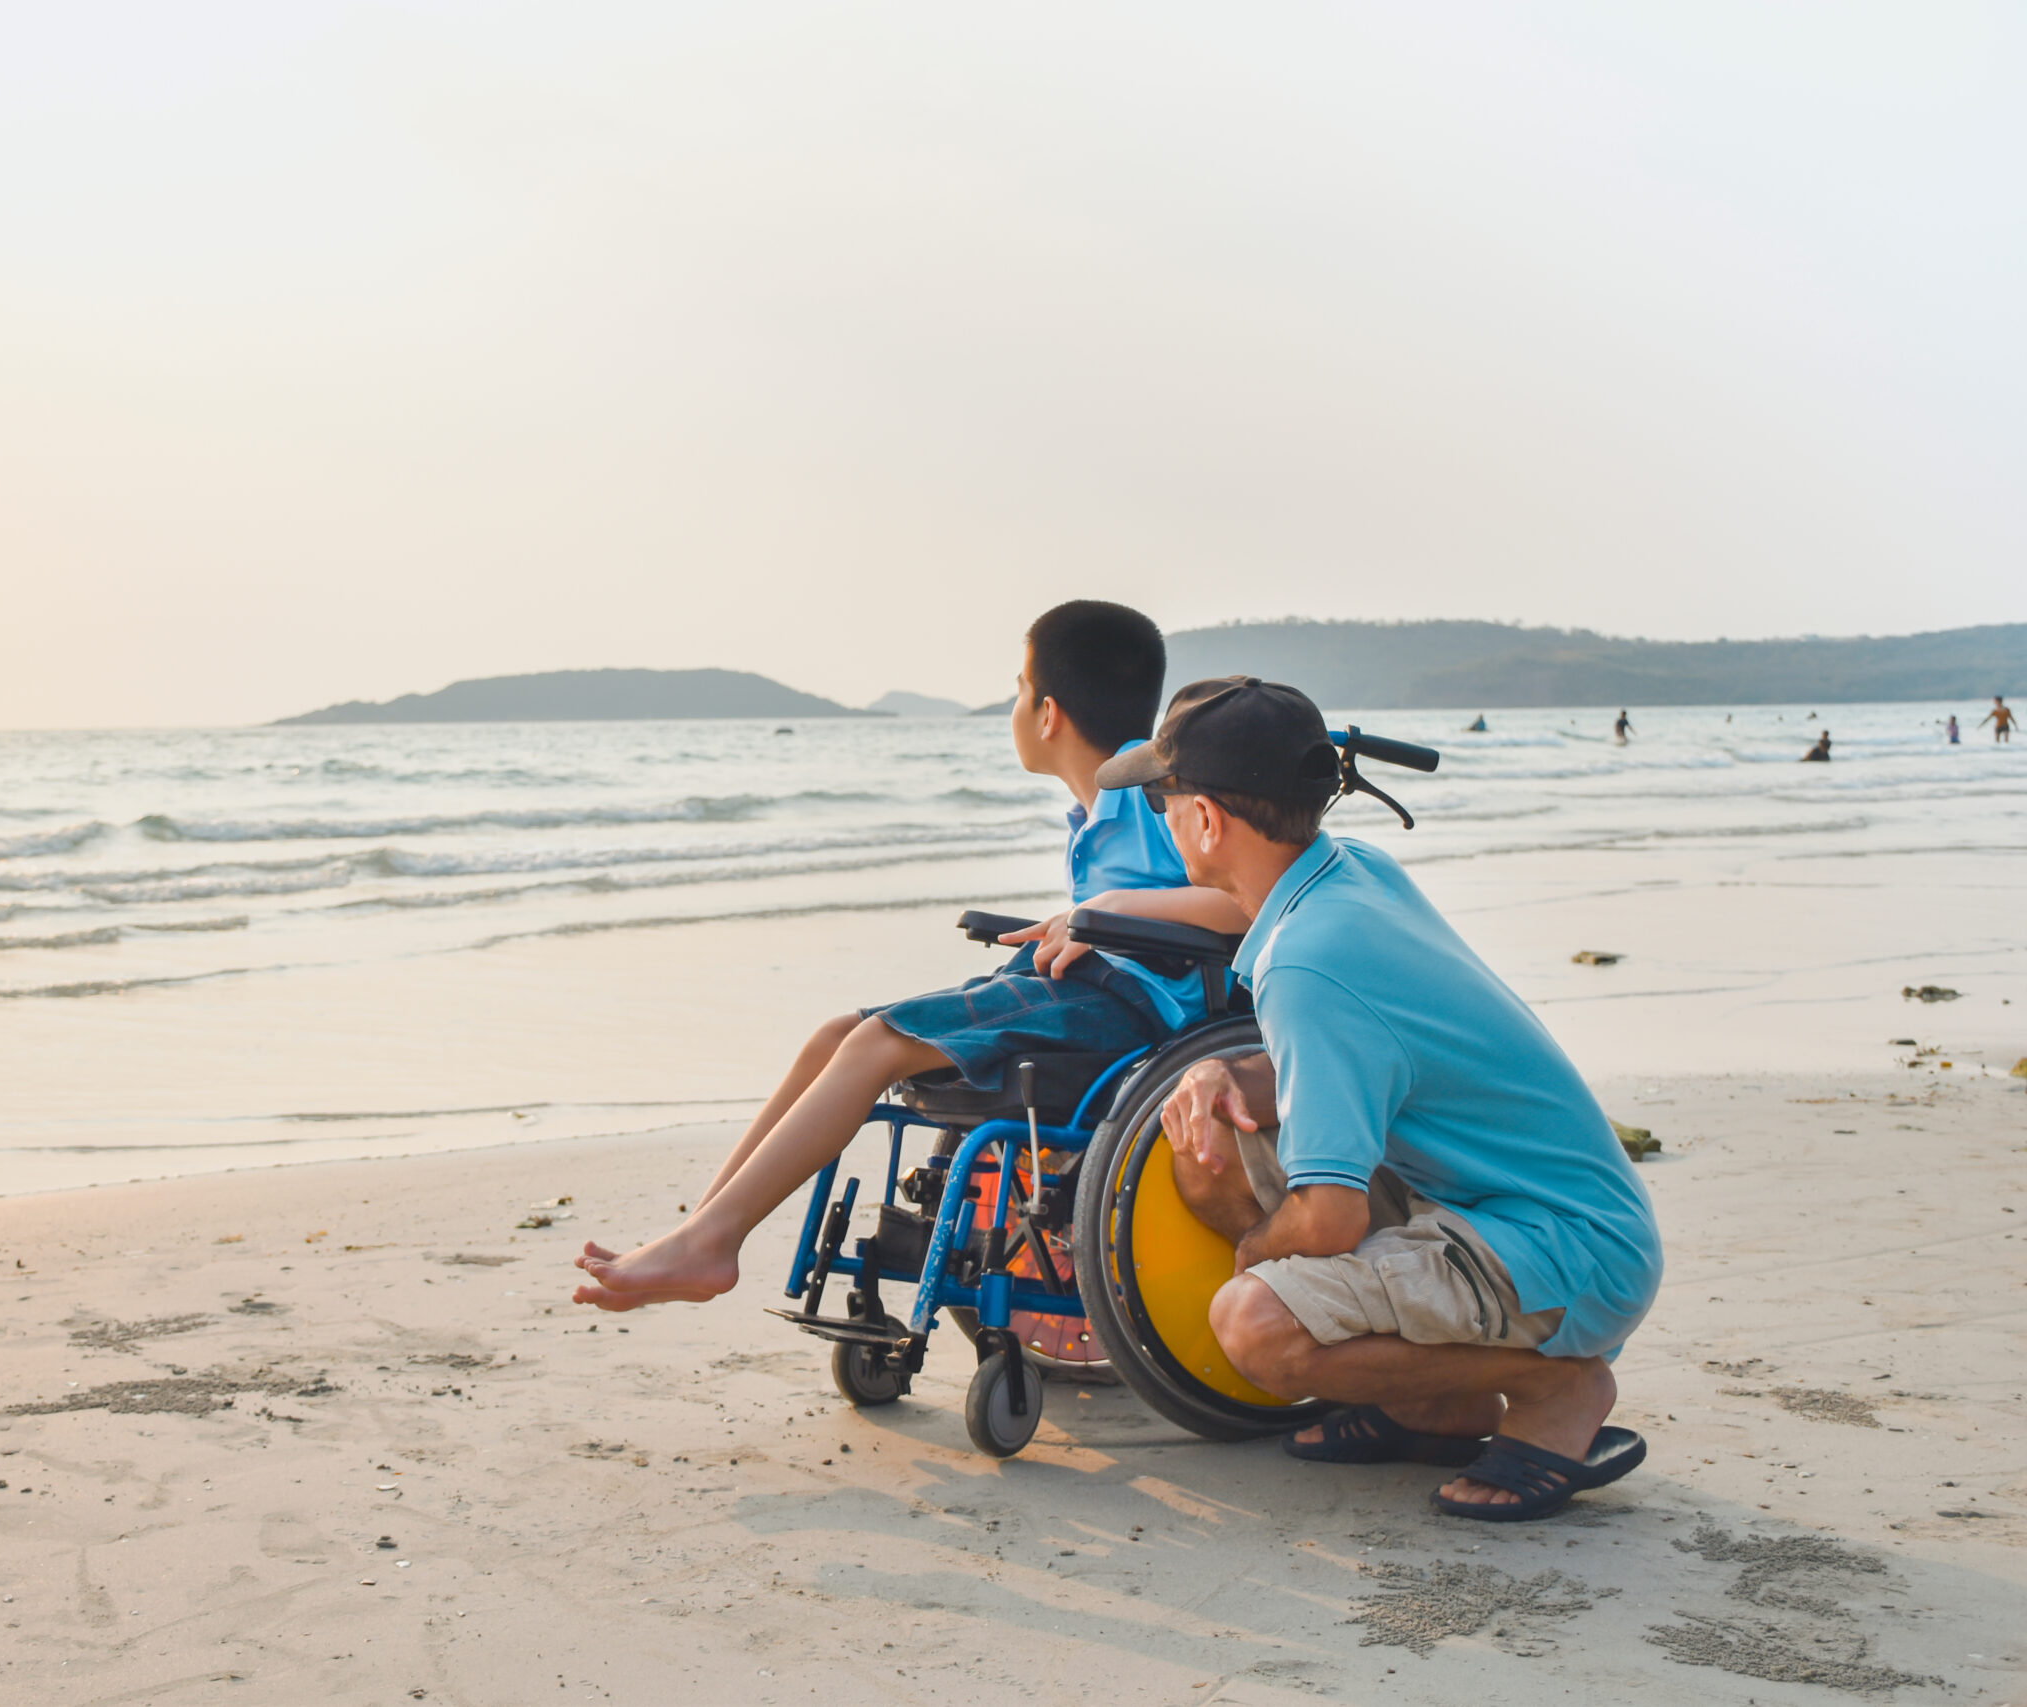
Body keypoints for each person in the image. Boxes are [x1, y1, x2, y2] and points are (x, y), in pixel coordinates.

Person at [572, 601, 1250, 1311]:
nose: (1013, 705)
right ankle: (704, 1231)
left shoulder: (1151, 800)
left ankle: (709, 1244)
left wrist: (1108, 912)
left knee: (874, 1044)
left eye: (1019, 688)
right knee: (835, 1035)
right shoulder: (1092, 813)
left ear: (1047, 713)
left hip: (1132, 1016)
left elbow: (1244, 905)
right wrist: (1086, 919)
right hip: (1086, 991)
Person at [1102, 678, 1661, 1522]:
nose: (1161, 816)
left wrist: (1258, 1252)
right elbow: (1359, 1058)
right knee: (1207, 1125)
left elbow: (1329, 1221)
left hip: (1563, 1246)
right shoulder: (1347, 871)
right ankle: (1441, 1404)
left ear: (1208, 819)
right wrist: (1227, 1075)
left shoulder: (1307, 961)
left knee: (1254, 1323)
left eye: (1160, 798)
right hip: (1508, 1206)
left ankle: (1556, 1388)